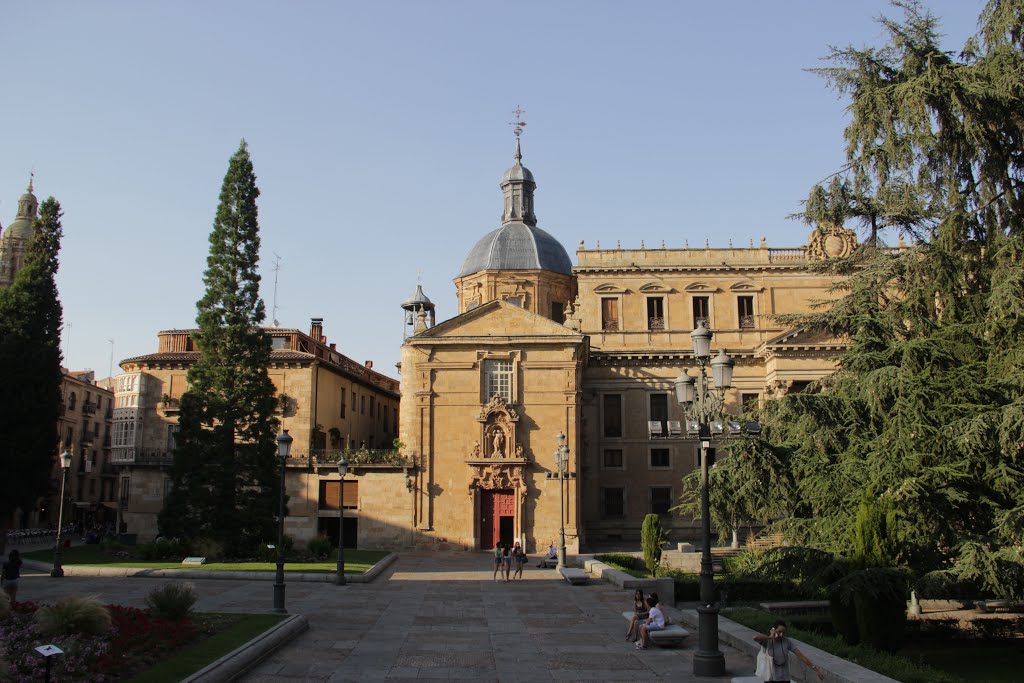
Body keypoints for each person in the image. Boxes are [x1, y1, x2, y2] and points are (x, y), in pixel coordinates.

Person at [753, 620, 825, 682]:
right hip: (771, 677)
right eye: (779, 632)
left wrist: (815, 670)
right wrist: (770, 636)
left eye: (784, 632)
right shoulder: (767, 642)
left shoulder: (787, 642)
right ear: (774, 630)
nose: (781, 635)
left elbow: (801, 656)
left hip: (784, 678)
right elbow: (755, 637)